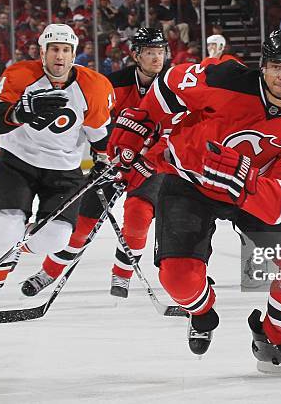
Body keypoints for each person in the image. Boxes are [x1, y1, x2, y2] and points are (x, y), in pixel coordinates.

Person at [107, 30, 281, 373]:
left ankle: (275, 338)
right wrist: (144, 119)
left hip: (249, 196)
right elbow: (169, 85)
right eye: (277, 66)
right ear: (263, 66)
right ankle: (202, 311)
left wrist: (244, 179)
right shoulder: (224, 77)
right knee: (178, 281)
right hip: (188, 183)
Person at [0, 24, 115, 316]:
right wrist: (20, 112)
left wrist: (102, 160)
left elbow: (99, 132)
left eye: (65, 50)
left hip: (64, 170)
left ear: (74, 54)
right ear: (42, 52)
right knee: (4, 227)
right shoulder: (20, 75)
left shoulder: (95, 86)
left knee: (55, 239)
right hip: (17, 162)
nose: (59, 56)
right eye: (54, 49)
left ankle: (16, 248)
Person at [20, 28, 170, 299]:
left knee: (138, 217)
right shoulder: (111, 84)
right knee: (83, 222)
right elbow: (94, 122)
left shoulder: (172, 85)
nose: (157, 58)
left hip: (150, 166)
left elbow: (177, 130)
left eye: (160, 52)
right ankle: (49, 272)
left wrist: (149, 160)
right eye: (150, 52)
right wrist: (105, 154)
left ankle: (121, 274)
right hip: (113, 162)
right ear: (136, 55)